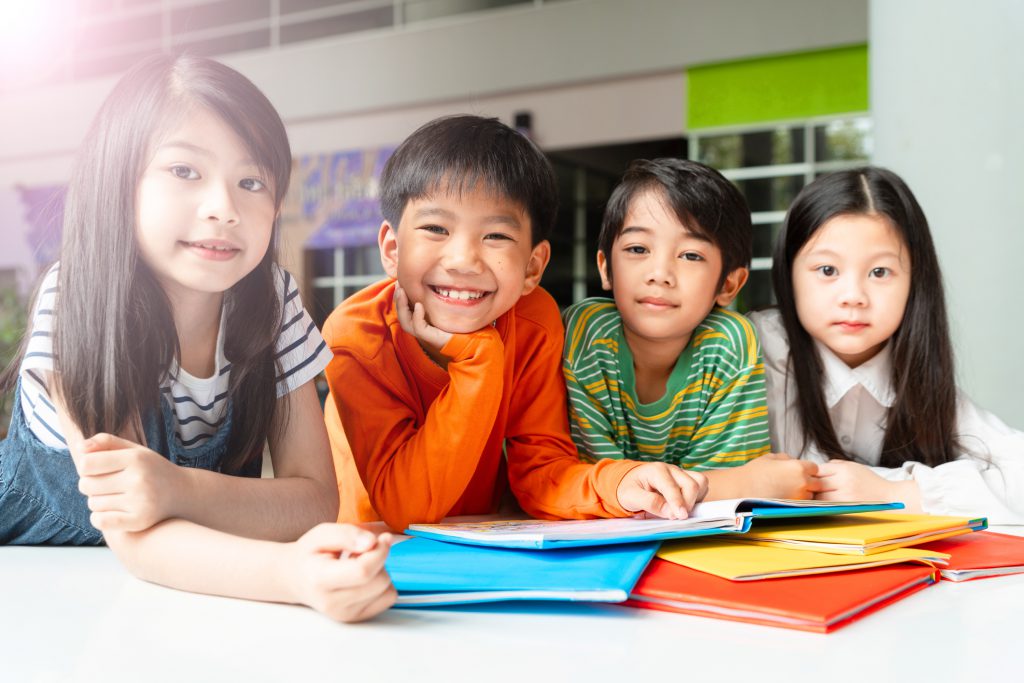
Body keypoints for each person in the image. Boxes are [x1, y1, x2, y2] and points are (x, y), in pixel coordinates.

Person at [0, 55, 395, 622]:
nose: (224, 209)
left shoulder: (271, 299)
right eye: (185, 171)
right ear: (119, 182)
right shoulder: (79, 295)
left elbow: (313, 501)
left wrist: (176, 487)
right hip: (32, 584)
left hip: (179, 589)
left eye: (252, 181)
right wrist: (292, 574)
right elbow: (135, 529)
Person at [323, 115, 708, 533]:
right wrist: (477, 358)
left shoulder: (531, 322)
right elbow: (407, 509)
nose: (463, 261)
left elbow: (541, 473)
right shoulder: (357, 338)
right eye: (436, 228)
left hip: (484, 539)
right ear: (393, 249)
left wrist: (621, 484)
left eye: (496, 237)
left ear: (533, 266)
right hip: (370, 551)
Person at [750, 166, 1024, 522]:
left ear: (916, 282)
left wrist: (895, 493)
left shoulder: (914, 369)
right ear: (789, 274)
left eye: (880, 272)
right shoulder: (752, 352)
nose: (853, 297)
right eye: (828, 271)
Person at [563, 158, 820, 501]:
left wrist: (722, 487)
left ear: (729, 284)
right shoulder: (584, 336)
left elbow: (718, 508)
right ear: (605, 267)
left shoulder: (729, 344)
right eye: (637, 249)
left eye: (690, 256)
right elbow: (597, 491)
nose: (660, 273)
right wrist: (748, 483)